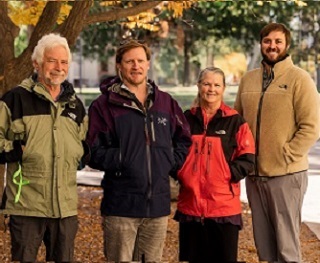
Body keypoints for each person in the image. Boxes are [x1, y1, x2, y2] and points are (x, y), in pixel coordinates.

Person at [86, 39, 192, 263]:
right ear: (119, 66)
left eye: (140, 61)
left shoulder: (165, 103)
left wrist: (168, 161)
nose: (136, 66)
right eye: (130, 61)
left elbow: (184, 139)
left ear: (148, 64)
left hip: (158, 208)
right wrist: (124, 158)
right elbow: (93, 151)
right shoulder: (104, 106)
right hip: (121, 206)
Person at [234, 22, 320, 263]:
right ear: (261, 44)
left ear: (287, 45)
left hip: (286, 174)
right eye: (267, 41)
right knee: (264, 246)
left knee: (286, 246)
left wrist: (287, 154)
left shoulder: (299, 79)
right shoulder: (248, 80)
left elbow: (312, 126)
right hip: (254, 175)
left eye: (278, 42)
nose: (272, 46)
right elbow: (238, 123)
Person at [0, 33, 88, 262]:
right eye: (52, 60)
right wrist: (18, 150)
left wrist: (81, 154)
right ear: (36, 63)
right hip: (27, 206)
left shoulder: (75, 105)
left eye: (64, 62)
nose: (58, 67)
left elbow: (83, 142)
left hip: (65, 209)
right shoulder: (14, 100)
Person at [174, 67, 255, 263]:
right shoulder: (186, 119)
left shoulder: (235, 122)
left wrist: (225, 174)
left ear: (224, 88)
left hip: (224, 209)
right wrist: (182, 173)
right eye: (207, 84)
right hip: (190, 207)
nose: (211, 89)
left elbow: (248, 159)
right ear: (199, 86)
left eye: (217, 85)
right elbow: (172, 152)